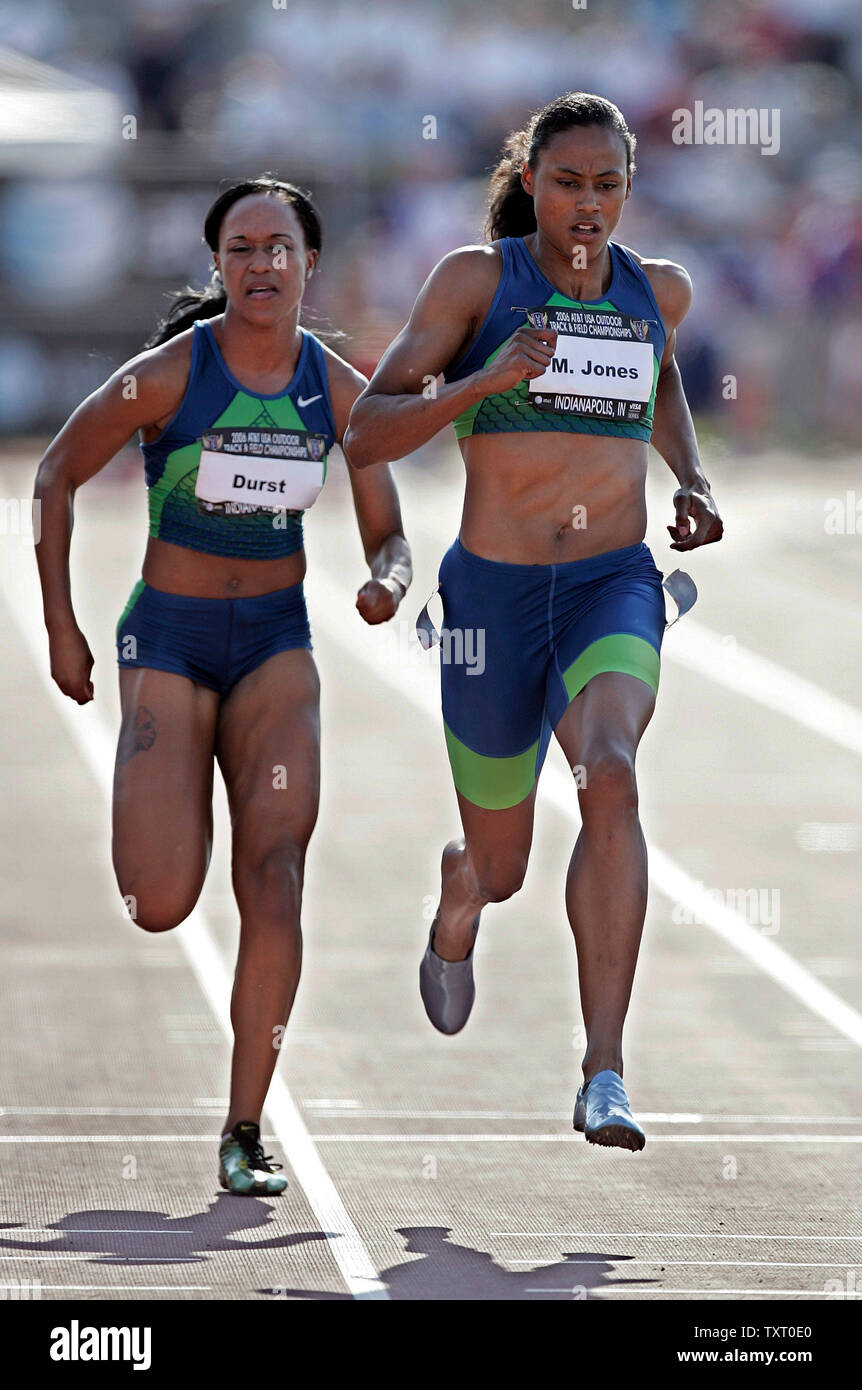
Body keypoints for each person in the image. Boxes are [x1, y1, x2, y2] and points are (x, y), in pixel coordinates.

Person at [345, 94, 723, 1151]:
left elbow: (658, 380)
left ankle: (604, 1067)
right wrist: (484, 381)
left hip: (610, 581)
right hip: (492, 602)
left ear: (628, 189)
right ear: (533, 181)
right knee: (503, 861)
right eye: (568, 182)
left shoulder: (660, 289)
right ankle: (460, 891)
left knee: (610, 768)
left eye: (608, 184)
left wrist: (690, 480)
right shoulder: (478, 280)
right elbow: (369, 434)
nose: (588, 203)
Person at [34, 176, 411, 1192]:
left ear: (309, 264)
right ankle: (166, 799)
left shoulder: (339, 390)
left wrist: (387, 583)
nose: (262, 265)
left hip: (276, 644)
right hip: (168, 637)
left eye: (279, 247)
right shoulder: (165, 375)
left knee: (276, 877)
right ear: (218, 267)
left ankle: (245, 1126)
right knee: (159, 899)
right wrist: (60, 626)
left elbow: (391, 536)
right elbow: (55, 475)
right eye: (241, 248)